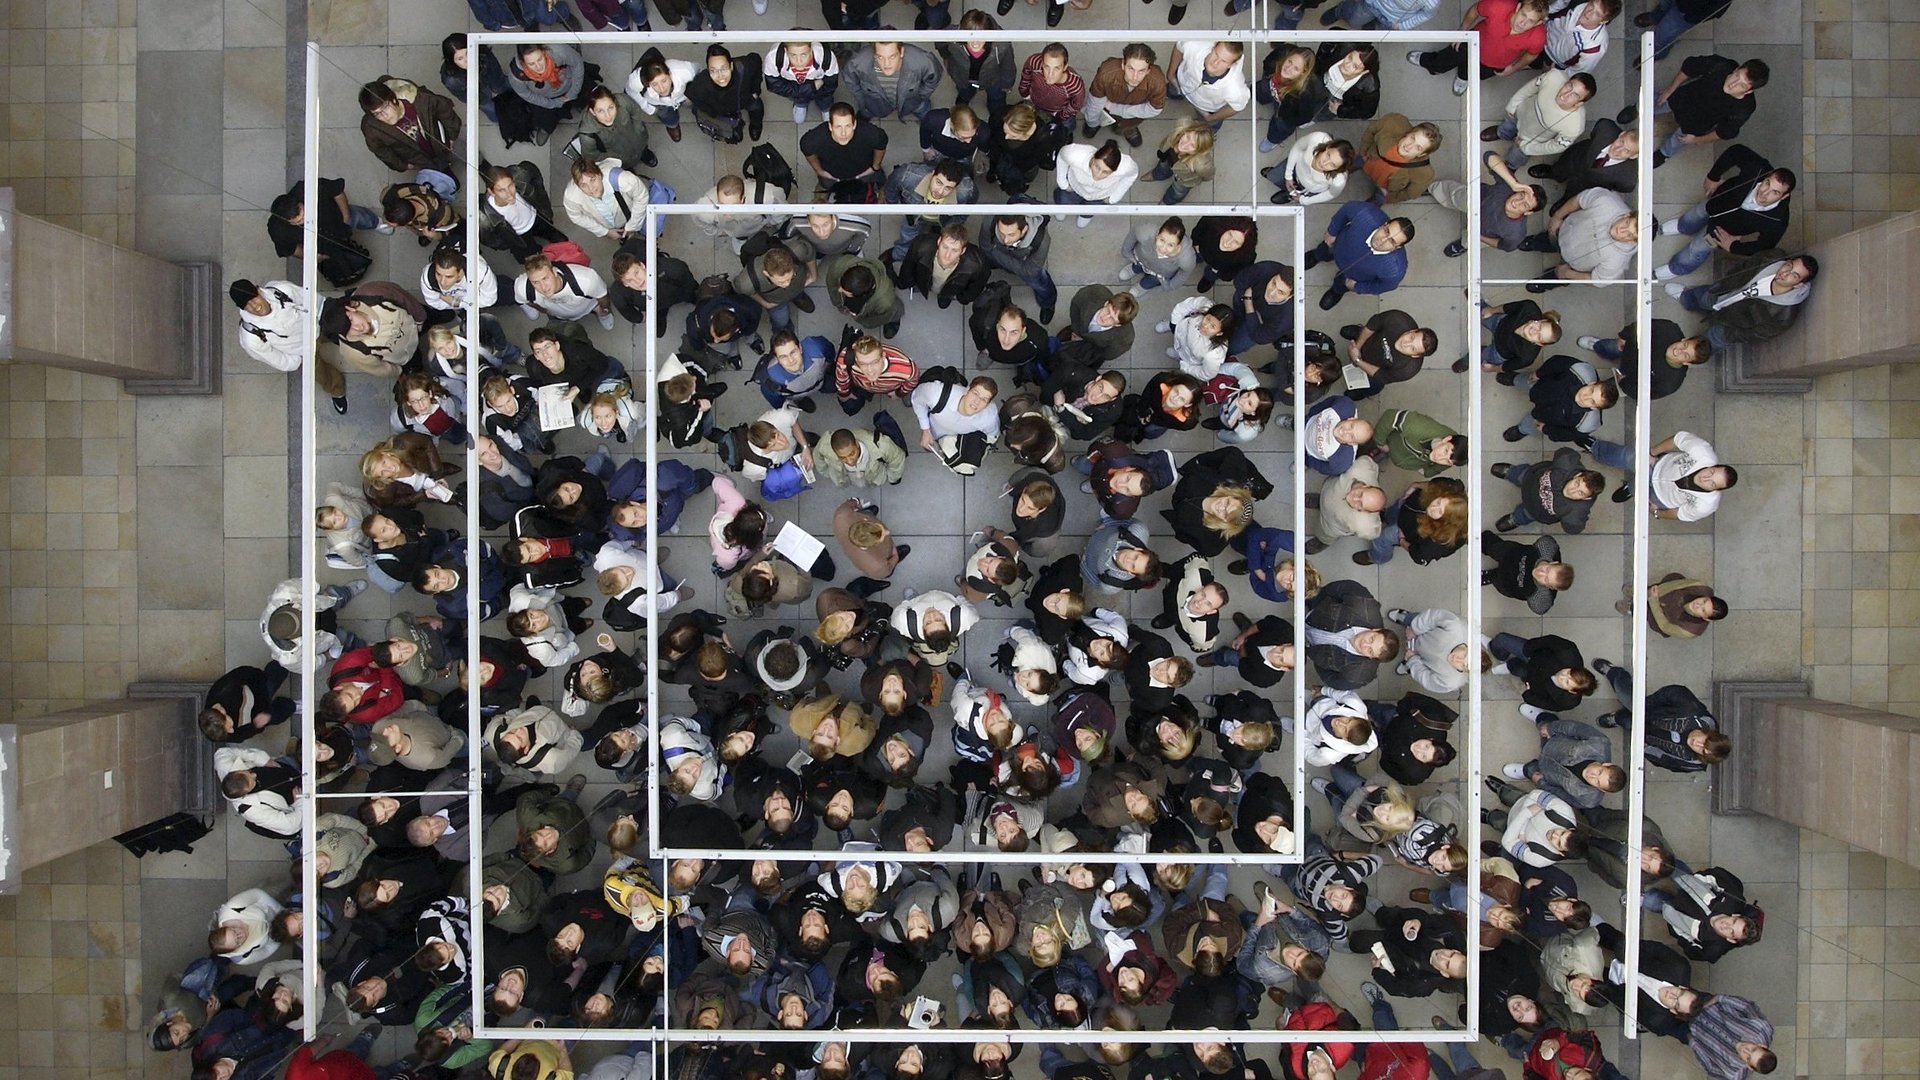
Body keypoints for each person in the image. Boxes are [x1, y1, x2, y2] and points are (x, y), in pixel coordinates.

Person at [1655, 145, 1794, 281]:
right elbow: (1736, 151)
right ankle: (1683, 226)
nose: (1764, 193)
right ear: (1766, 177)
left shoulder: (1778, 220)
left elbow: (1764, 246)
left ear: (1784, 197)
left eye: (1775, 192)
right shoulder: (1758, 169)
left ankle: (1677, 267)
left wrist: (1734, 247)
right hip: (1716, 202)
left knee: (1697, 249)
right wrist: (1713, 177)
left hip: (1722, 231)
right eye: (1767, 183)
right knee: (1696, 214)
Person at [1590, 658, 1730, 772]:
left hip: (1648, 735)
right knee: (1628, 699)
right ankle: (1616, 674)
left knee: (1627, 722)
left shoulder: (1691, 763)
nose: (1696, 744)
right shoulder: (1692, 711)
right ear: (1707, 732)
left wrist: (1645, 749)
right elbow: (1674, 692)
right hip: (1653, 711)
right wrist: (1646, 705)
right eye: (1703, 741)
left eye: (1702, 750)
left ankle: (1619, 718)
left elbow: (1665, 761)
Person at [232, 279, 348, 414]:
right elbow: (276, 359)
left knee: (350, 331)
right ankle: (337, 390)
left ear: (258, 291)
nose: (254, 306)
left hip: (318, 327)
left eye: (253, 298)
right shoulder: (251, 337)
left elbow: (309, 299)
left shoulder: (281, 290)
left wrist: (325, 317)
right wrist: (297, 360)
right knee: (320, 374)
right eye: (246, 305)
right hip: (303, 351)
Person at [1668, 252, 1818, 351]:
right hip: (1724, 294)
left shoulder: (1785, 314)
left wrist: (1732, 334)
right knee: (1700, 297)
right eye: (1789, 265)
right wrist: (1725, 282)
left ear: (1799, 284)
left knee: (1706, 345)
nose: (1785, 273)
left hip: (1731, 325)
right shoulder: (1771, 258)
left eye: (1794, 275)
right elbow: (1745, 266)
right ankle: (1685, 297)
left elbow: (1759, 334)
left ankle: (1684, 355)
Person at [1587, 429, 1735, 521]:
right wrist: (1652, 453)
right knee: (1628, 456)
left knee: (1638, 489)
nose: (1705, 478)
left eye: (1712, 483)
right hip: (1658, 465)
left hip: (1660, 496)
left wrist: (1656, 512)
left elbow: (1680, 514)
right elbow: (1678, 439)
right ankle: (1595, 447)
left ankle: (1631, 488)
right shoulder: (1703, 452)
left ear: (1716, 490)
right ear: (1714, 466)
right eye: (1711, 472)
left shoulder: (1706, 505)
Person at [1408, 0, 1549, 96]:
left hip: (1494, 64)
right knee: (1445, 59)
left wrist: (1514, 68)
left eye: (1531, 21)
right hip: (1471, 43)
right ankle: (1431, 64)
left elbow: (1532, 55)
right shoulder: (1498, 5)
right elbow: (1475, 10)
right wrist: (1463, 29)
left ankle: (1463, 78)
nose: (1523, 23)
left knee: (1472, 74)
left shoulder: (1538, 37)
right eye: (1523, 15)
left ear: (1538, 23)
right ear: (1518, 8)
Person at [1652, 55, 1767, 166]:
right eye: (1736, 76)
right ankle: (1637, 109)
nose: (1733, 84)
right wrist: (1670, 90)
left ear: (1748, 92)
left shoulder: (1744, 108)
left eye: (1741, 86)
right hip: (1685, 97)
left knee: (1679, 140)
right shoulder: (1721, 65)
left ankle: (1664, 154)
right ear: (1736, 69)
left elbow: (1724, 131)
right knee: (1657, 102)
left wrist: (1697, 140)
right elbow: (1690, 67)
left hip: (1699, 121)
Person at [1305, 201, 1413, 310]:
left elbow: (1385, 286)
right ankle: (1316, 256)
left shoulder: (1394, 270)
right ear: (1384, 224)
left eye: (1392, 241)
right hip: (1338, 246)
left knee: (1342, 283)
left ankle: (1336, 291)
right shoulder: (1365, 214)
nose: (1383, 240)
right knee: (1324, 251)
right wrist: (1332, 231)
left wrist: (1357, 287)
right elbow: (1347, 209)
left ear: (1397, 247)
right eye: (1386, 231)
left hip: (1352, 275)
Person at [1530, 186, 1638, 290]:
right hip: (1563, 231)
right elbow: (1579, 200)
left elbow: (1598, 281)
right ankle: (1534, 243)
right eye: (1627, 223)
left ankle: (1543, 283)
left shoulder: (1617, 262)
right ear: (1627, 215)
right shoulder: (1607, 201)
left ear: (1633, 242)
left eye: (1629, 235)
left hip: (1573, 266)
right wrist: (1557, 216)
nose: (1622, 231)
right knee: (1545, 240)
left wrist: (1567, 273)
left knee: (1558, 276)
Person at [357, 76, 461, 181]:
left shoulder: (421, 100)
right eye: (377, 114)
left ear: (393, 99)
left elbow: (445, 110)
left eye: (385, 107)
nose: (384, 116)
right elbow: (381, 151)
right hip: (421, 159)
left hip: (442, 141)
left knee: (464, 152)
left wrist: (452, 136)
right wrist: (403, 165)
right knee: (443, 176)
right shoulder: (371, 129)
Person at [1579, 317, 1710, 400]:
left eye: (1685, 355)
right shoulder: (1669, 328)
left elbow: (1644, 395)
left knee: (1605, 392)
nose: (1679, 350)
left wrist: (1624, 384)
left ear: (1687, 363)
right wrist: (1624, 336)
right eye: (1685, 345)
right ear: (1685, 339)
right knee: (1608, 347)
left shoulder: (1671, 383)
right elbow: (1641, 324)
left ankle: (1587, 393)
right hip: (1626, 347)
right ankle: (1596, 345)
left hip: (1628, 378)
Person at [1304, 579, 1399, 689]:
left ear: (1372, 658)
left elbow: (1332, 680)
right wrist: (1312, 601)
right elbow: (1340, 588)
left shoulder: (1359, 676)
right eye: (1371, 639)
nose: (1364, 644)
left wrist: (1314, 657)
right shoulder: (1364, 604)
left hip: (1303, 648)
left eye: (1370, 651)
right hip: (1310, 611)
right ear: (1376, 629)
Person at [1492, 449, 1602, 534]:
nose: (1572, 490)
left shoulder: (1575, 512)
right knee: (1521, 474)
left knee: (1525, 515)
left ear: (1586, 498)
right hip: (1531, 477)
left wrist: (1580, 512)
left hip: (1535, 511)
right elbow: (1564, 451)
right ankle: (1512, 472)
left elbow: (1574, 529)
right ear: (1577, 475)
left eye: (1580, 493)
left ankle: (1516, 518)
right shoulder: (1567, 464)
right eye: (1577, 483)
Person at [979, 212, 1059, 323]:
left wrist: (995, 252)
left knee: (1039, 282)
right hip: (1013, 260)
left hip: (1022, 262)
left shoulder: (1041, 241)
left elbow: (1029, 271)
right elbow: (985, 247)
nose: (1005, 240)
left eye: (1011, 235)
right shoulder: (990, 221)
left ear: (1024, 230)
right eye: (1001, 233)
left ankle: (1048, 303)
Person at [1083, 43, 1167, 148]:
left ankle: (1128, 128)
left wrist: (1114, 108)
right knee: (1092, 119)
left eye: (1141, 71)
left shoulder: (1157, 83)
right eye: (1131, 69)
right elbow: (1094, 101)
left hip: (1133, 113)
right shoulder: (1106, 74)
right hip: (1105, 107)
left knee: (1130, 123)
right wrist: (1092, 122)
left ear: (1149, 70)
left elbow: (1154, 110)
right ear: (1123, 64)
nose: (1135, 77)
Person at [802, 104, 890, 200]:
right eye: (838, 127)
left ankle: (883, 192)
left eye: (847, 126)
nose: (843, 133)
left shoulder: (871, 134)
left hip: (865, 171)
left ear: (854, 124)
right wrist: (819, 171)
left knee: (879, 180)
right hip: (831, 174)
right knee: (824, 186)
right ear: (830, 126)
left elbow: (881, 145)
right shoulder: (814, 139)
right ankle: (822, 196)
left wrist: (875, 167)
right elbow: (807, 151)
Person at [844, 41, 944, 122]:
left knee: (923, 111)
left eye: (892, 56)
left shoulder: (922, 61)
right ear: (874, 54)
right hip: (875, 103)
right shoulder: (857, 62)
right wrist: (863, 101)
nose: (886, 64)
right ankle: (867, 113)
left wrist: (921, 96)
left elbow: (934, 77)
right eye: (880, 57)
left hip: (912, 102)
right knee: (867, 112)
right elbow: (851, 82)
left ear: (902, 52)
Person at [686, 45, 765, 145]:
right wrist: (712, 112)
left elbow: (756, 60)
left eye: (724, 69)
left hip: (744, 99)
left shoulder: (744, 66)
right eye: (713, 71)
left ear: (731, 66)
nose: (720, 76)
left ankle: (755, 125)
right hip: (722, 108)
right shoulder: (702, 82)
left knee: (756, 107)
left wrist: (755, 90)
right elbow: (693, 96)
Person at [938, 13, 1016, 115]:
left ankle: (996, 112)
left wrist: (1007, 84)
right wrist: (946, 56)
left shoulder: (1002, 44)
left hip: (993, 80)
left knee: (996, 99)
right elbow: (940, 42)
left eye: (981, 37)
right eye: (970, 36)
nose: (975, 43)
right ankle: (964, 100)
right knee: (965, 92)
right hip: (963, 77)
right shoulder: (952, 35)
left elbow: (1008, 66)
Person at [1356, 114, 1442, 204]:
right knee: (1354, 162)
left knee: (1375, 201)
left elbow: (1411, 194)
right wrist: (1364, 151)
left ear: (1422, 154)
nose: (1409, 146)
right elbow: (1371, 131)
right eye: (1412, 138)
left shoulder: (1424, 174)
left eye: (1418, 147)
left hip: (1384, 188)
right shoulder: (1392, 122)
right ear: (1408, 133)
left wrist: (1390, 198)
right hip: (1367, 159)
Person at [1688, 993, 1779, 1079]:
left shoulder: (1733, 1075)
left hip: (1691, 1032)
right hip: (1709, 1005)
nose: (1745, 1050)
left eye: (1748, 1058)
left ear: (1749, 1067)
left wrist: (1692, 1042)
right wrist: (1718, 999)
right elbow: (1747, 1007)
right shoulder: (1762, 1029)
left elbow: (1711, 1068)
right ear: (1762, 1045)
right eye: (1753, 1049)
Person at [1054, 140, 1141, 226]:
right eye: (1097, 166)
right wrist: (1063, 184)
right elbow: (1062, 156)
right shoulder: (1076, 154)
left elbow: (1132, 175)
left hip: (1100, 196)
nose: (1098, 175)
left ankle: (1085, 215)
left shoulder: (1126, 166)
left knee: (1090, 209)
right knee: (1063, 200)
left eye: (1106, 172)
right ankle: (1063, 208)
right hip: (1074, 188)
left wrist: (1114, 198)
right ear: (1094, 157)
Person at [1167, 41, 1251, 128]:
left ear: (1232, 64)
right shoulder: (1195, 45)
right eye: (1216, 54)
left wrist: (1211, 118)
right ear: (1213, 46)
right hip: (1182, 81)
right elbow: (1180, 45)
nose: (1215, 62)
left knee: (1207, 128)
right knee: (1172, 90)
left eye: (1223, 61)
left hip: (1206, 107)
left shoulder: (1235, 88)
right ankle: (1174, 93)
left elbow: (1238, 106)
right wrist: (1171, 74)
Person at [1265, 130, 1355, 207]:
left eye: (1332, 165)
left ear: (1338, 169)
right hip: (1296, 167)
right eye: (1328, 155)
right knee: (1273, 175)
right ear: (1328, 147)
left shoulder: (1339, 179)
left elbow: (1330, 194)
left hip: (1308, 187)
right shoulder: (1317, 138)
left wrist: (1303, 200)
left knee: (1293, 192)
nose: (1324, 163)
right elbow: (1298, 147)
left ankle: (1289, 196)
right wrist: (1288, 175)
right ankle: (1279, 178)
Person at [1625, 572, 1729, 638]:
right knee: (1663, 584)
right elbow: (1672, 586)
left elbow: (1665, 626)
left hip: (1663, 617)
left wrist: (1653, 601)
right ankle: (1638, 592)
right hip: (1670, 594)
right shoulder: (1700, 586)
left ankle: (1633, 609)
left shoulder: (1691, 631)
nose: (1698, 605)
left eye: (1703, 611)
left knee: (1651, 618)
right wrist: (1648, 593)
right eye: (1704, 601)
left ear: (1707, 618)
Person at [825, 253, 906, 337]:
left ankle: (894, 320)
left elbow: (876, 319)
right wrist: (838, 304)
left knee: (894, 310)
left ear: (861, 295)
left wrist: (864, 322)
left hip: (886, 307)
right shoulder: (839, 266)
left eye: (846, 291)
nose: (839, 289)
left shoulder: (885, 302)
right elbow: (831, 285)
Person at [626, 47, 696, 143]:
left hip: (682, 95)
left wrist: (693, 94)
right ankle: (672, 125)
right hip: (657, 103)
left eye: (664, 81)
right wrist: (648, 108)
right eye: (654, 84)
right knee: (668, 116)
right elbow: (631, 91)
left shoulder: (685, 71)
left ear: (670, 74)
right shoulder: (636, 81)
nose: (662, 89)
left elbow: (698, 73)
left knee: (691, 104)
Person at [766, 40, 842, 127]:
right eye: (793, 55)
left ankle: (825, 106)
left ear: (811, 50)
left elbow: (831, 83)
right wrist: (811, 88)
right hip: (796, 84)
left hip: (820, 86)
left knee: (825, 98)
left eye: (803, 54)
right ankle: (801, 102)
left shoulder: (826, 56)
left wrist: (820, 92)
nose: (799, 61)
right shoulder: (774, 58)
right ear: (786, 51)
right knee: (799, 119)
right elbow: (775, 86)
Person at [1640, 0, 1741, 61]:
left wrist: (1690, 17)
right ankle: (1656, 16)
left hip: (1686, 11)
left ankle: (1656, 53)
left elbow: (1714, 10)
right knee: (1664, 5)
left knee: (1663, 35)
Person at [1019, 43, 1087, 122]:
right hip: (1033, 102)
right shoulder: (1034, 62)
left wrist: (1060, 116)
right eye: (1046, 67)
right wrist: (1026, 95)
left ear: (1065, 67)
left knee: (1066, 126)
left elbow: (1075, 106)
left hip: (1057, 111)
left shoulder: (1075, 85)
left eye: (1056, 68)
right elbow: (1025, 76)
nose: (1050, 74)